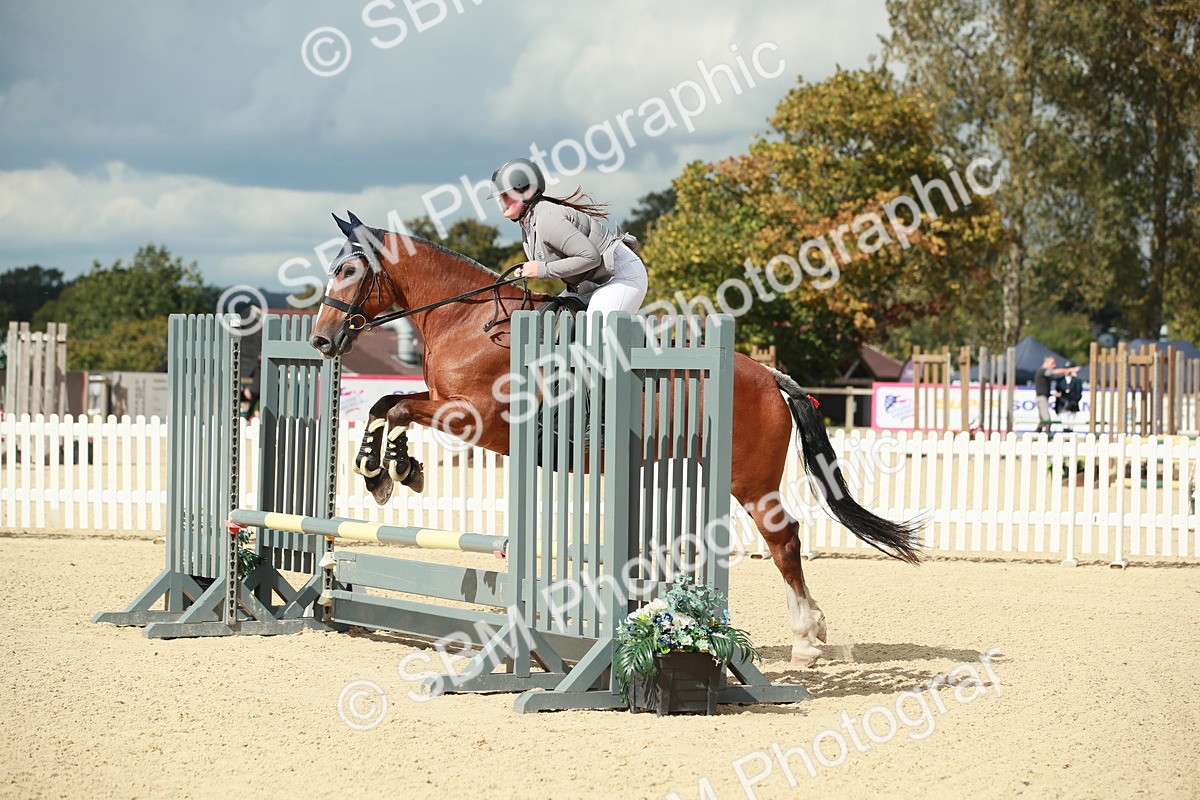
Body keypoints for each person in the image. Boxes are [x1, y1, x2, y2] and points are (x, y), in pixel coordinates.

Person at [489, 157, 647, 317]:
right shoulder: (528, 224)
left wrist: (542, 269)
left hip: (621, 276)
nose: (501, 202)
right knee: (547, 317)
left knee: (595, 331)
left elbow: (591, 258)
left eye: (505, 195)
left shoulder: (547, 218)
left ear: (525, 192)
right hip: (588, 284)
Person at [1033, 355, 1074, 434]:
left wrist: (1052, 394)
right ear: (1047, 363)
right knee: (1047, 419)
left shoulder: (1043, 372)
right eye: (1053, 363)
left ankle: (1037, 434)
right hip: (1042, 398)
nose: (1054, 366)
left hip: (1043, 397)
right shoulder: (1042, 371)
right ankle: (1047, 435)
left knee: (1042, 420)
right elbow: (1053, 372)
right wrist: (1068, 370)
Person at [1054, 364, 1084, 433]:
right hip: (1062, 404)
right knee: (1065, 424)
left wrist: (1073, 402)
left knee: (1071, 424)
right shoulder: (1060, 380)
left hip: (1072, 405)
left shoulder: (1076, 380)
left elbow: (1078, 393)